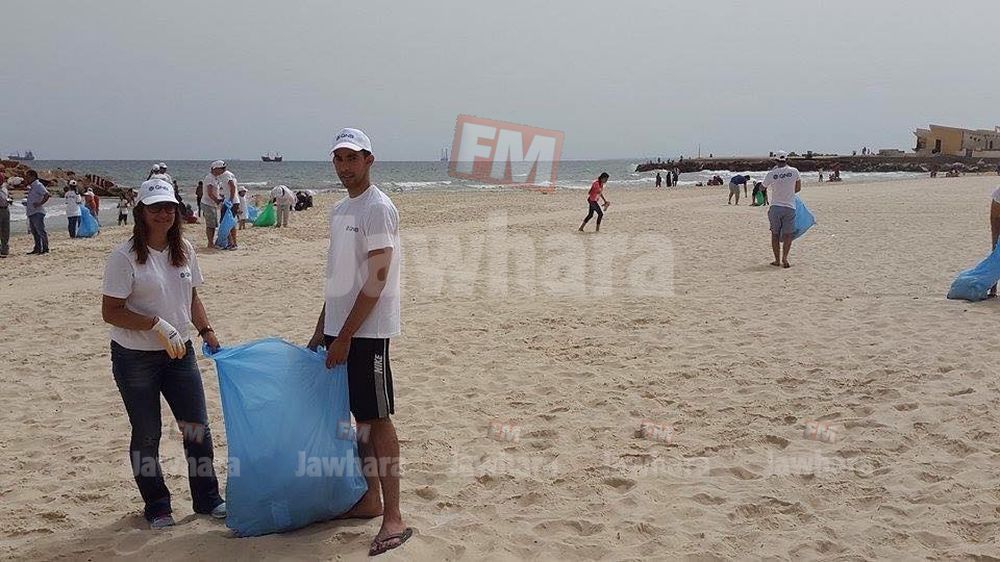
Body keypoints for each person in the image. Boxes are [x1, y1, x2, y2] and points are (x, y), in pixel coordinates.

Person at [305, 128, 411, 557]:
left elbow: (377, 279)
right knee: (360, 420)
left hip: (368, 332)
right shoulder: (340, 209)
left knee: (377, 419)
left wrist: (346, 336)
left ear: (369, 160)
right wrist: (323, 329)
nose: (345, 166)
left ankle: (394, 516)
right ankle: (370, 500)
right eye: (339, 159)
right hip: (341, 329)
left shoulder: (378, 208)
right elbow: (340, 278)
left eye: (352, 158)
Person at [100, 178, 227, 530]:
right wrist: (155, 324)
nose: (164, 214)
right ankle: (156, 505)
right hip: (135, 357)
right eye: (156, 207)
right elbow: (111, 311)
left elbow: (192, 296)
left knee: (196, 429)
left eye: (169, 207)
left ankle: (208, 498)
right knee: (147, 433)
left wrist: (206, 330)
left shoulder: (184, 249)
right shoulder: (123, 257)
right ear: (141, 212)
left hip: (179, 354)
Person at [762, 151, 801, 268]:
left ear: (776, 160)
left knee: (775, 234)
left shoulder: (771, 173)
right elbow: (798, 189)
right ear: (786, 160)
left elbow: (762, 187)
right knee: (788, 235)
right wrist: (787, 192)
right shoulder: (794, 171)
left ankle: (777, 260)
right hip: (790, 207)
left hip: (775, 207)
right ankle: (785, 258)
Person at [209, 160, 239, 250]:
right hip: (232, 201)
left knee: (226, 223)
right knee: (229, 223)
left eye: (214, 169)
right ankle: (232, 243)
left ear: (219, 168)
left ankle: (231, 243)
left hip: (230, 202)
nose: (214, 172)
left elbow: (232, 186)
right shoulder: (229, 174)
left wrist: (230, 200)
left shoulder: (226, 175)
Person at [25, 170, 51, 255]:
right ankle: (37, 248)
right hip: (31, 212)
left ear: (33, 177)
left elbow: (47, 194)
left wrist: (40, 203)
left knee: (40, 231)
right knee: (35, 232)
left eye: (28, 176)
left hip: (37, 212)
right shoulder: (32, 186)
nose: (26, 178)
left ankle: (45, 248)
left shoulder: (38, 185)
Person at [200, 169, 222, 248]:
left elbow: (215, 191)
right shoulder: (210, 178)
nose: (222, 171)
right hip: (208, 204)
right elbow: (209, 193)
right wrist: (217, 201)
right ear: (215, 169)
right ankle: (210, 243)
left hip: (212, 204)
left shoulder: (214, 178)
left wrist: (220, 198)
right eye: (221, 169)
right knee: (210, 225)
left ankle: (211, 242)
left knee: (213, 224)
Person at [0, 176, 18, 257]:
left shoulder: (4, 188)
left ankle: (4, 249)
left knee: (6, 230)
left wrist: (10, 199)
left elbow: (7, 197)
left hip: (5, 209)